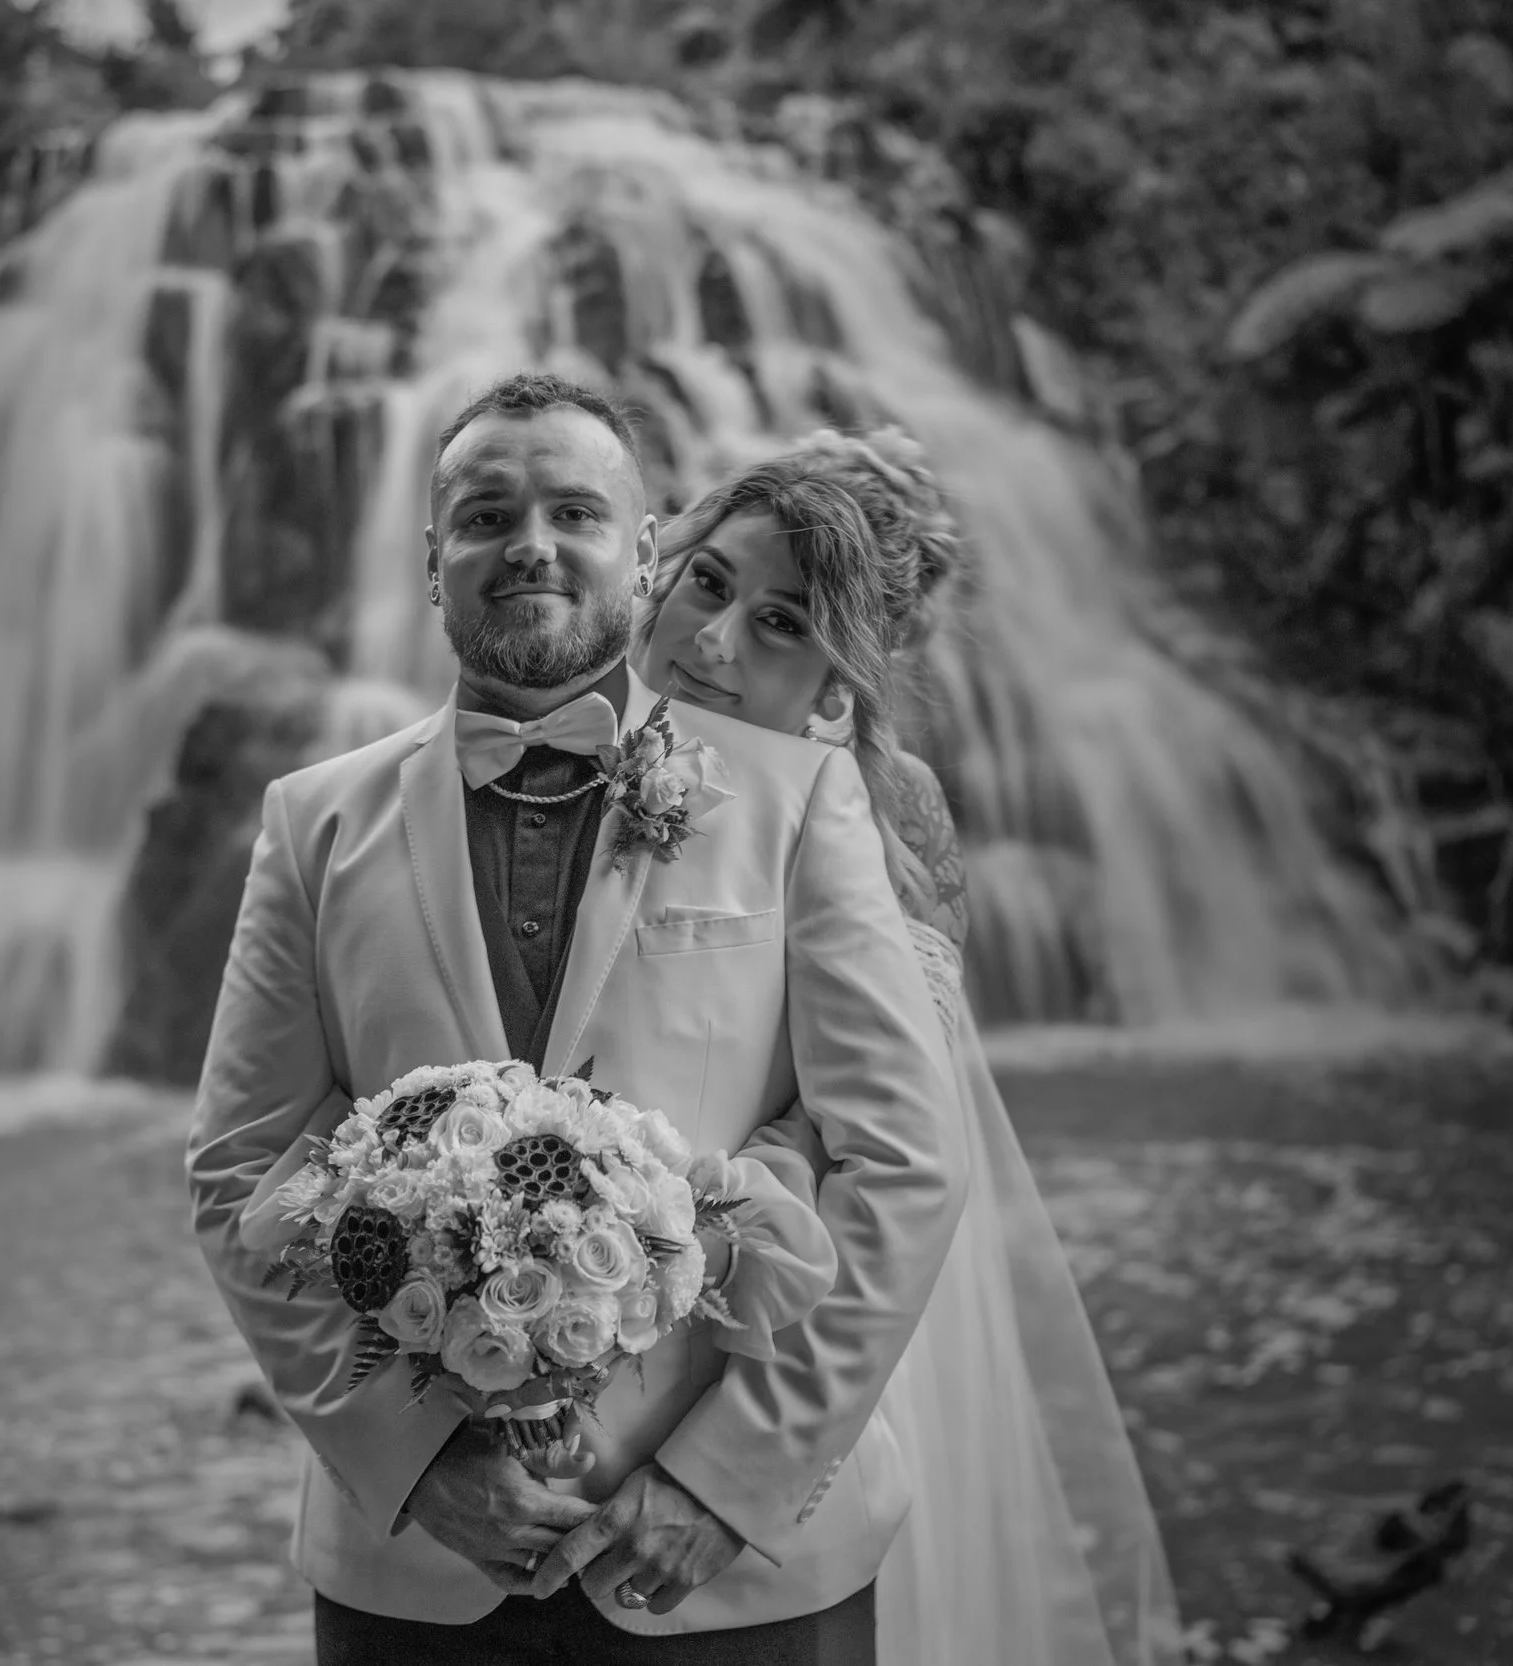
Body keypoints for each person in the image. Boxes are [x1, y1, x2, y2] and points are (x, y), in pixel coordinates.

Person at [184, 372, 966, 1664]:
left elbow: (903, 1164)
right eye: (486, 516)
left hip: (741, 1572)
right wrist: (417, 1460)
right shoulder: (311, 823)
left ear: (644, 550)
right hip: (412, 1572)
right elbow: (234, 1171)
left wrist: (724, 1480)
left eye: (575, 511)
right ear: (431, 560)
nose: (529, 543)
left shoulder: (800, 805)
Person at [628, 427, 1183, 1666]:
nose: (715, 642)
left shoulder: (878, 809)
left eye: (789, 620)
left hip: (792, 1283)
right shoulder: (591, 743)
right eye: (707, 581)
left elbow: (889, 1118)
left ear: (846, 664)